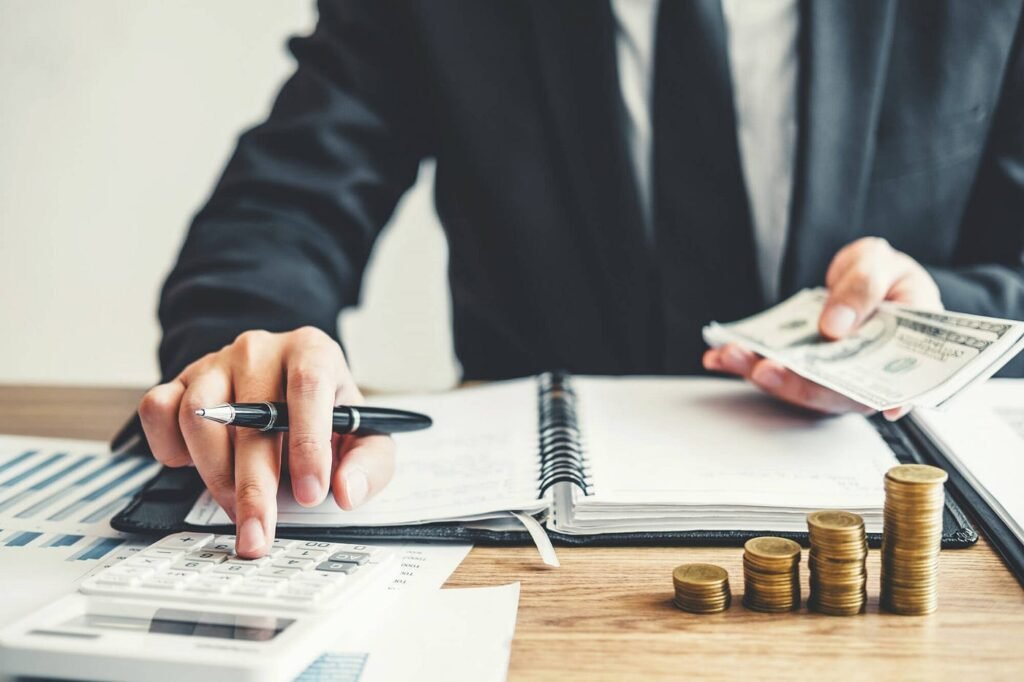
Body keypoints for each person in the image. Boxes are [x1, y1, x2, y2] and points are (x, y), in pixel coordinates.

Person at [138, 1, 1024, 557]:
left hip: (900, 537)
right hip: (532, 551)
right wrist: (259, 351)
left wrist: (948, 317)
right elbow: (282, 207)